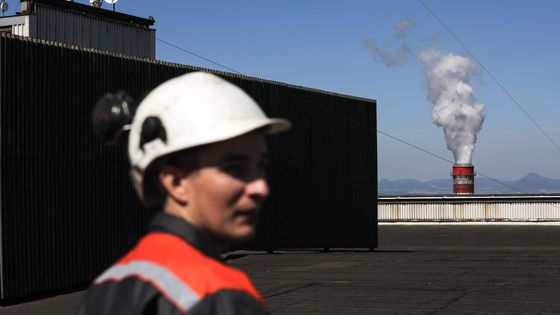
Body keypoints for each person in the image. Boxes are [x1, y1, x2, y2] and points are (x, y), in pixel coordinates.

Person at [79, 71, 291, 314]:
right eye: (235, 168)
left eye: (261, 167)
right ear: (176, 183)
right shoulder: (221, 297)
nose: (260, 188)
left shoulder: (107, 288)